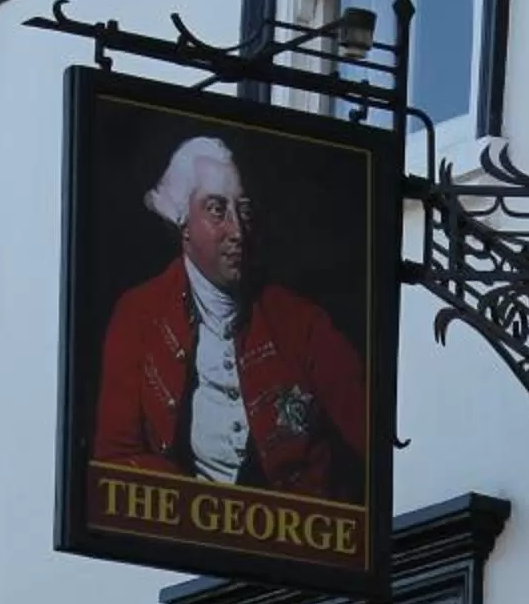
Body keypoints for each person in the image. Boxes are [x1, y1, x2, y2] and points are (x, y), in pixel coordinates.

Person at [93, 133, 366, 493]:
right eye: (216, 209)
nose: (237, 231)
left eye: (244, 210)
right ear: (182, 221)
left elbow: (373, 440)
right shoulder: (139, 314)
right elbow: (115, 458)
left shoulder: (302, 323)